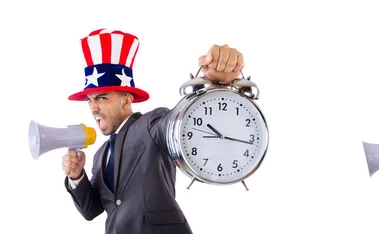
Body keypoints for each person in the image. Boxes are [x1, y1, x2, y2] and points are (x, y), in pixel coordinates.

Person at [61, 28, 245, 234]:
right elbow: (91, 210)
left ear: (127, 99)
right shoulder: (101, 155)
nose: (93, 108)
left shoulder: (152, 124)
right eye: (90, 100)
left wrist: (214, 84)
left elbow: (180, 124)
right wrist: (76, 176)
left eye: (102, 98)